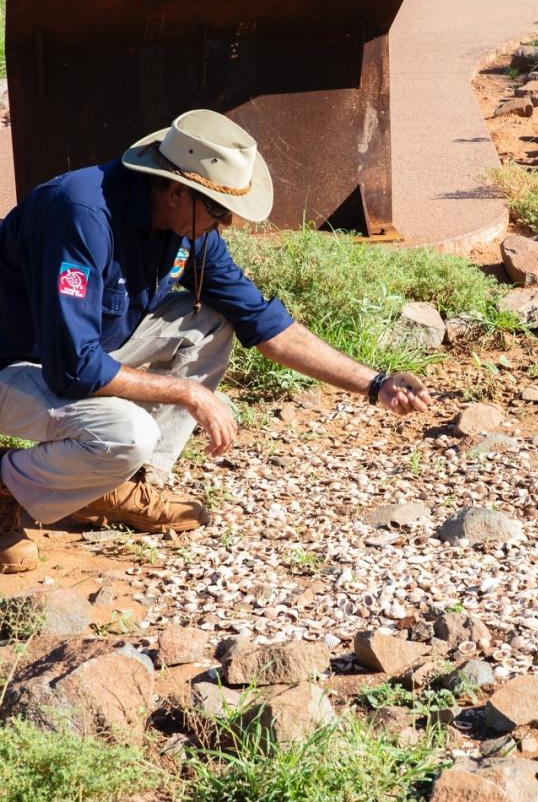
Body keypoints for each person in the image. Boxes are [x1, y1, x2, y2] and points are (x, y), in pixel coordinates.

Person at [0, 109, 431, 573]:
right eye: (219, 210)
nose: (225, 224)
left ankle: (115, 484)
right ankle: (8, 486)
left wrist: (375, 383)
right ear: (175, 190)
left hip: (69, 352)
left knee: (209, 321)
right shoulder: (79, 214)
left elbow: (264, 324)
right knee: (128, 433)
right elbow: (75, 369)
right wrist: (189, 392)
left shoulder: (187, 225)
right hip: (15, 363)